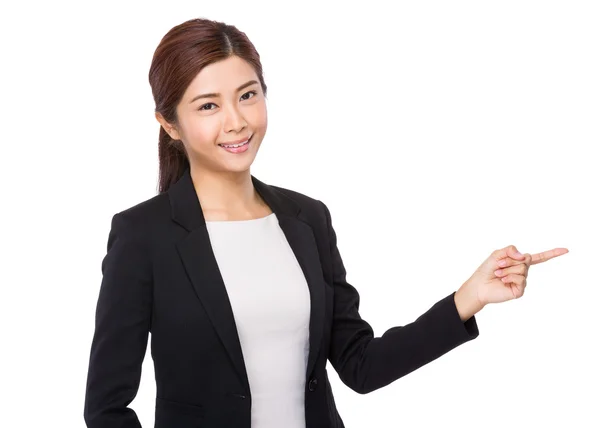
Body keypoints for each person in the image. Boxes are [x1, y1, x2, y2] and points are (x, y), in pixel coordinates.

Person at [83, 17, 569, 428]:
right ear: (169, 124)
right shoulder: (144, 236)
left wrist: (470, 298)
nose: (236, 121)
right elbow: (106, 407)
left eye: (248, 95)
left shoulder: (307, 219)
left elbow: (361, 365)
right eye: (208, 105)